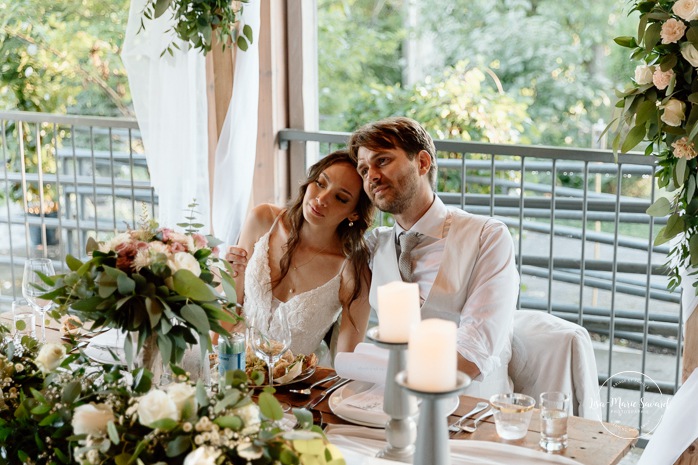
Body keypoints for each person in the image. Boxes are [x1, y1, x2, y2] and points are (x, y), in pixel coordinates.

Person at [349, 116, 519, 396]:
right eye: (364, 170)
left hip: (470, 413)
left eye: (382, 161)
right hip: (386, 405)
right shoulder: (372, 246)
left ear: (423, 163)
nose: (372, 177)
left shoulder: (487, 236)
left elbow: (473, 353)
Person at [223, 149, 375, 360]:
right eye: (320, 183)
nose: (321, 199)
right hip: (229, 364)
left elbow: (347, 363)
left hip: (290, 389)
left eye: (340, 198)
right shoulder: (263, 220)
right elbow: (230, 306)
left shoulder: (351, 272)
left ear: (355, 213)